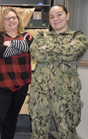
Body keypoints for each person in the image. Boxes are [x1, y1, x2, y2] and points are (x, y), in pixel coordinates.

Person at [29, 4, 88, 139]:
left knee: (67, 133)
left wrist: (47, 49)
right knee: (38, 133)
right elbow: (36, 54)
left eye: (59, 14)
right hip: (40, 93)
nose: (55, 19)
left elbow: (72, 53)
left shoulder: (78, 36)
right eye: (51, 16)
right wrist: (64, 48)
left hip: (66, 95)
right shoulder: (41, 36)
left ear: (67, 16)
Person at [0, 8, 33, 139]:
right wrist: (22, 47)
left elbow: (31, 47)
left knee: (12, 119)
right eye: (7, 18)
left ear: (18, 20)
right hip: (0, 85)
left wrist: (10, 44)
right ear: (3, 22)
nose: (11, 21)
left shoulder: (28, 35)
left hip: (21, 86)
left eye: (14, 18)